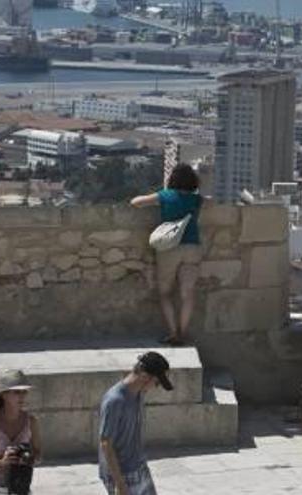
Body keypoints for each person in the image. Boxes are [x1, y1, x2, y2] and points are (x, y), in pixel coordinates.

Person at [131, 165, 204, 346]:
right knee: (188, 294)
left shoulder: (165, 196)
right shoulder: (197, 200)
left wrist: (162, 196)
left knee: (165, 293)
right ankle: (184, 332)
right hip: (192, 248)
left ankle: (173, 333)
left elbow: (136, 202)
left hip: (169, 248)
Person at [98, 352, 174, 495]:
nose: (156, 387)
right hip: (122, 474)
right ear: (145, 376)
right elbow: (105, 444)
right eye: (156, 382)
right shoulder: (114, 400)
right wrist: (119, 484)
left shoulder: (138, 393)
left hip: (139, 466)